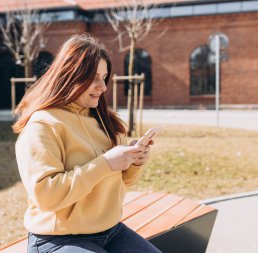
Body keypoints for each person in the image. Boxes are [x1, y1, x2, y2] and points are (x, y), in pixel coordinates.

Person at [13, 34, 161, 253]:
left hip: (110, 230)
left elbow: (123, 181)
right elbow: (46, 196)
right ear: (69, 75)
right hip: (57, 239)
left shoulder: (103, 120)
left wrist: (133, 161)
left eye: (104, 77)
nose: (102, 86)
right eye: (93, 77)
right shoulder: (43, 125)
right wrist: (105, 164)